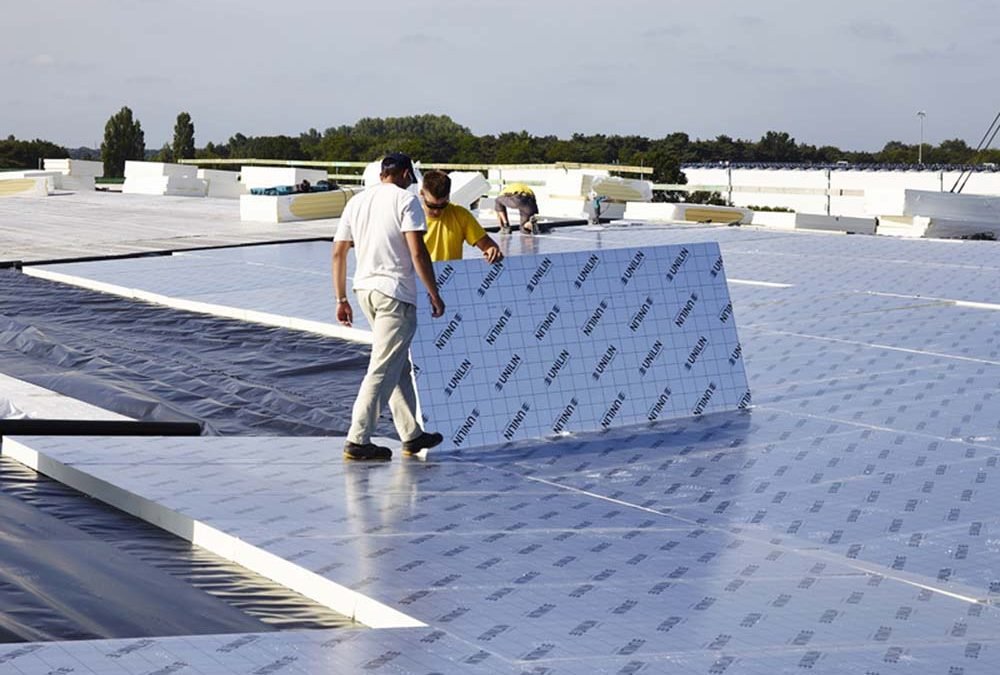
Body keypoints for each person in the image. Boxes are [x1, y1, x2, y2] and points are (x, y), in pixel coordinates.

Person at [332, 152, 446, 461]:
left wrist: (341, 299)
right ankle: (358, 439)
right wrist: (434, 293)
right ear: (406, 174)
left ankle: (412, 434)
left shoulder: (356, 202)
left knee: (398, 365)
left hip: (365, 291)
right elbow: (417, 252)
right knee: (382, 367)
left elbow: (339, 253)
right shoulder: (406, 201)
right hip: (395, 293)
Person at [420, 170, 503, 264]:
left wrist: (492, 249)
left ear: (449, 195)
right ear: (422, 193)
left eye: (443, 205)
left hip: (451, 272)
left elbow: (487, 244)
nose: (437, 211)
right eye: (432, 205)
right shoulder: (411, 217)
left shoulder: (461, 215)